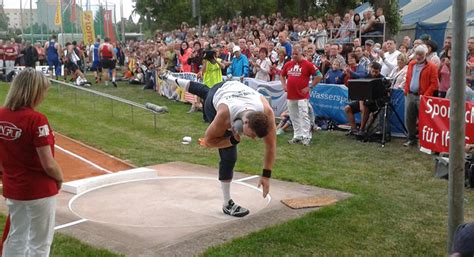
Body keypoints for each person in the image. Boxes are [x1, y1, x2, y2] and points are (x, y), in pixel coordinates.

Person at [159, 72, 276, 217]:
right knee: (229, 155)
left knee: (203, 90)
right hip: (218, 98)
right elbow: (208, 141)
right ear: (245, 123)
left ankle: (170, 78)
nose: (253, 139)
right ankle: (227, 204)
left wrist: (266, 175)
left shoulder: (267, 112)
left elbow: (271, 146)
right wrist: (231, 140)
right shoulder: (224, 116)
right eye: (251, 135)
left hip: (229, 90)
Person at [0, 68, 64, 256]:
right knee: (40, 243)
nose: (44, 96)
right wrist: (59, 178)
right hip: (39, 189)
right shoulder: (37, 120)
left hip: (14, 188)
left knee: (16, 236)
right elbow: (48, 164)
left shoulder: (1, 115)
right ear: (34, 91)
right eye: (43, 91)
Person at [280, 45, 322, 146]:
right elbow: (282, 74)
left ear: (301, 53)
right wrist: (284, 84)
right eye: (292, 54)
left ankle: (306, 137)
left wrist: (310, 87)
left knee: (304, 116)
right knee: (294, 116)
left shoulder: (307, 64)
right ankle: (297, 135)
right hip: (291, 95)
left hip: (302, 96)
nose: (294, 56)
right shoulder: (288, 64)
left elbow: (319, 75)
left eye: (296, 54)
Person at [403, 44, 439, 147]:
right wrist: (406, 90)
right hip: (410, 94)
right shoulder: (411, 64)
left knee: (424, 119)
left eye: (421, 54)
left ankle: (423, 141)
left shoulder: (432, 66)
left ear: (425, 54)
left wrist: (425, 95)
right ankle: (411, 138)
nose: (418, 56)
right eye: (417, 54)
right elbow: (408, 78)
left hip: (422, 96)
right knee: (409, 118)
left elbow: (434, 84)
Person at [344, 62, 383, 135]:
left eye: (376, 72)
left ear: (380, 71)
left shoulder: (382, 79)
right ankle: (354, 129)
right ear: (370, 70)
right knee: (347, 108)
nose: (374, 73)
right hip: (364, 100)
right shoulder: (367, 77)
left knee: (365, 108)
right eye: (373, 71)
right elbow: (361, 93)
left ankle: (362, 130)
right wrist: (361, 103)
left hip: (375, 103)